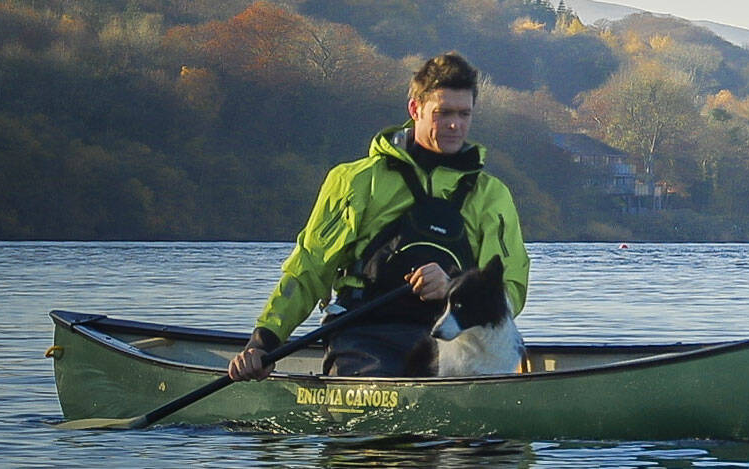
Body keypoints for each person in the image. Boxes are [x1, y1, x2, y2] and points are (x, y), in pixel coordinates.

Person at [227, 52, 530, 381]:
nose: (455, 124)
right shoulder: (355, 181)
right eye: (443, 113)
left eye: (464, 114)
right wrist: (264, 342)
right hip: (366, 336)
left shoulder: (492, 195)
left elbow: (509, 287)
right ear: (416, 110)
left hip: (452, 340)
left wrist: (453, 286)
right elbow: (309, 268)